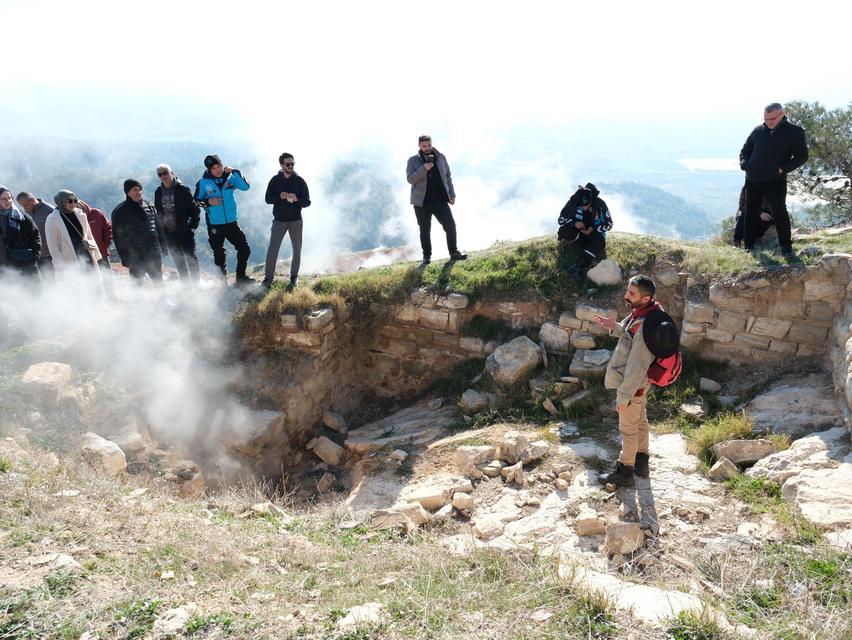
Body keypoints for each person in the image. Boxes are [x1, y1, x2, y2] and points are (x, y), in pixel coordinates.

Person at [595, 275, 662, 489]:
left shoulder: (645, 324)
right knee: (640, 422)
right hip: (640, 385)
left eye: (631, 293)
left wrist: (623, 396)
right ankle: (642, 463)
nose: (626, 295)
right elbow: (627, 332)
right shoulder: (644, 313)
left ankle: (626, 471)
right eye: (627, 290)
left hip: (633, 384)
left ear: (646, 298)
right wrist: (612, 326)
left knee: (628, 430)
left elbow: (637, 365)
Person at [739, 102, 808, 257]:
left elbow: (802, 156)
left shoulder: (794, 132)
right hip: (753, 179)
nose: (768, 122)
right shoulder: (758, 130)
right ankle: (748, 246)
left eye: (771, 119)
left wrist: (782, 168)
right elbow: (745, 151)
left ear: (781, 115)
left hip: (775, 180)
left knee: (780, 212)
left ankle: (786, 248)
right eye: (766, 119)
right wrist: (745, 165)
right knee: (750, 213)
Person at [406, 135, 466, 265]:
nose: (427, 148)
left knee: (450, 226)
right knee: (425, 231)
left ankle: (454, 252)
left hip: (440, 201)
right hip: (421, 204)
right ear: (419, 146)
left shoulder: (441, 157)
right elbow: (410, 179)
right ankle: (426, 256)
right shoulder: (413, 161)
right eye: (424, 146)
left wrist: (452, 193)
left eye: (429, 145)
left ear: (431, 144)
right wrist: (424, 169)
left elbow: (448, 176)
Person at [195, 154, 252, 285]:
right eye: (213, 168)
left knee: (244, 249)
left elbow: (246, 187)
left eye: (219, 166)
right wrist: (209, 201)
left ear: (222, 165)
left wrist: (235, 171)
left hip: (232, 222)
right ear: (209, 170)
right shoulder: (203, 183)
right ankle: (223, 283)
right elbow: (196, 201)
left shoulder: (231, 178)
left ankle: (241, 278)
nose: (217, 170)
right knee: (219, 254)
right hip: (215, 224)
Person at [262, 152, 311, 289]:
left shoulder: (300, 181)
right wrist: (279, 196)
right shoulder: (275, 180)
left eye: (292, 163)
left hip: (296, 220)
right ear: (282, 165)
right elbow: (267, 199)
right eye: (288, 164)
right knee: (273, 249)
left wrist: (297, 199)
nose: (291, 166)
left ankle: (294, 278)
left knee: (297, 250)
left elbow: (307, 202)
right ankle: (268, 279)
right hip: (279, 221)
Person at [111, 179, 167, 284]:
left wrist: (163, 246)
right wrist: (125, 258)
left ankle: (163, 300)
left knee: (158, 281)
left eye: (140, 189)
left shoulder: (150, 206)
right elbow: (118, 238)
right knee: (138, 285)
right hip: (135, 256)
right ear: (127, 192)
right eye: (135, 190)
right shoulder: (120, 211)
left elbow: (159, 228)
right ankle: (139, 301)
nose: (138, 192)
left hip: (153, 252)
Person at [154, 164, 201, 283]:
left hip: (185, 231)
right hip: (169, 233)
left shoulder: (182, 189)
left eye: (165, 173)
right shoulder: (158, 192)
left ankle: (196, 285)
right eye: (160, 174)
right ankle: (186, 285)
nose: (163, 176)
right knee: (178, 261)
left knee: (191, 259)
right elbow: (158, 213)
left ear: (172, 172)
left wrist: (193, 227)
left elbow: (195, 209)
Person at [557, 183, 613, 281]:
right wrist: (574, 223)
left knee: (600, 242)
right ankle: (588, 250)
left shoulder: (600, 204)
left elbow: (609, 225)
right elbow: (561, 220)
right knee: (563, 231)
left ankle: (576, 268)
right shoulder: (573, 202)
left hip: (594, 235)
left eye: (587, 205)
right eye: (582, 205)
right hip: (578, 233)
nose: (584, 208)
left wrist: (593, 228)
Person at [45, 190, 102, 272]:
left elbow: (89, 235)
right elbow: (52, 244)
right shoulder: (52, 219)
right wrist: (59, 264)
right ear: (61, 201)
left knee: (92, 280)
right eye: (70, 201)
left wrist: (96, 253)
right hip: (68, 258)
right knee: (76, 282)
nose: (73, 204)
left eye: (75, 201)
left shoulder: (81, 214)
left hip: (86, 254)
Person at [0, 185, 41, 275]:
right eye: (3, 199)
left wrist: (34, 257)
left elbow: (35, 235)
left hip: (26, 265)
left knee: (34, 289)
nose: (8, 201)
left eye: (9, 198)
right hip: (4, 268)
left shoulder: (21, 216)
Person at [78, 199, 114, 285]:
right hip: (86, 257)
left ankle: (112, 295)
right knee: (92, 280)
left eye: (78, 207)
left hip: (102, 254)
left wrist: (105, 245)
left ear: (83, 205)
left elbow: (108, 228)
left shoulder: (96, 213)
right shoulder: (74, 219)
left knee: (107, 278)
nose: (77, 209)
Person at [16, 192, 54, 272]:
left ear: (33, 200)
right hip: (38, 256)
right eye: (23, 207)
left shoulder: (50, 210)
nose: (25, 209)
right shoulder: (27, 213)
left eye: (26, 205)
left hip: (52, 255)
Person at [732, 184, 773, 249]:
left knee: (767, 217)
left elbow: (773, 208)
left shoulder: (769, 188)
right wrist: (759, 213)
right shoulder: (747, 186)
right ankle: (737, 241)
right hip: (747, 213)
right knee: (744, 215)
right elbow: (742, 206)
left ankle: (757, 238)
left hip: (763, 216)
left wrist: (763, 214)